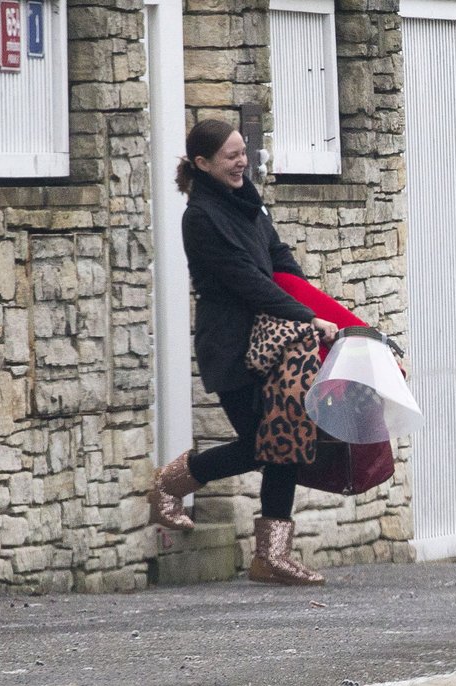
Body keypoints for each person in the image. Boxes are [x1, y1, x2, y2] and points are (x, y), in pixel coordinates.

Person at [148, 118, 338, 586]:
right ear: (203, 163)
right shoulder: (201, 218)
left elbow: (278, 260)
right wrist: (306, 316)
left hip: (273, 342)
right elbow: (245, 281)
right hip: (230, 345)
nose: (241, 162)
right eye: (230, 155)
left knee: (286, 440)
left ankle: (271, 558)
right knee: (261, 444)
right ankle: (171, 483)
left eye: (242, 152)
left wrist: (312, 301)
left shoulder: (248, 203)